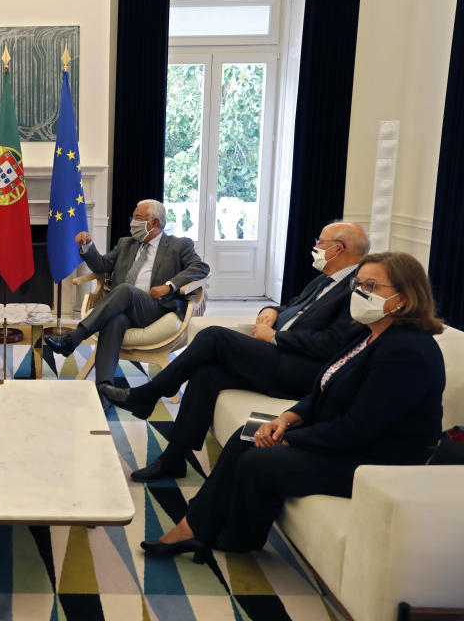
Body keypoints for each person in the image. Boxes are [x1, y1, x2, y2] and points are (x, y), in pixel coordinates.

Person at [141, 252, 444, 560]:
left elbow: (359, 429)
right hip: (345, 438)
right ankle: (198, 527)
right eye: (358, 283)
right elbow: (325, 387)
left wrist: (287, 437)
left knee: (258, 460)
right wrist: (287, 417)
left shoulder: (407, 352)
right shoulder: (370, 334)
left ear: (402, 300)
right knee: (246, 434)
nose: (359, 293)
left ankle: (226, 536)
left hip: (373, 461)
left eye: (371, 286)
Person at [100, 221, 370, 482]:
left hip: (301, 370)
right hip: (281, 356)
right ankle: (173, 459)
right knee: (208, 374)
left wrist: (277, 336)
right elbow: (291, 306)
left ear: (339, 248)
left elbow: (332, 344)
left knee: (214, 336)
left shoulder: (354, 290)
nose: (315, 247)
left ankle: (148, 394)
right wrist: (269, 311)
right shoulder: (326, 280)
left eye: (320, 243)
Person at [44, 199, 210, 384]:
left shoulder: (179, 245)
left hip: (154, 307)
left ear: (154, 222)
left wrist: (169, 285)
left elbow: (201, 267)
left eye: (138, 218)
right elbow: (101, 265)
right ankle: (105, 390)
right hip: (120, 307)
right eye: (133, 217)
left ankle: (73, 338)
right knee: (115, 321)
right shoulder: (126, 243)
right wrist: (87, 246)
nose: (132, 222)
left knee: (124, 290)